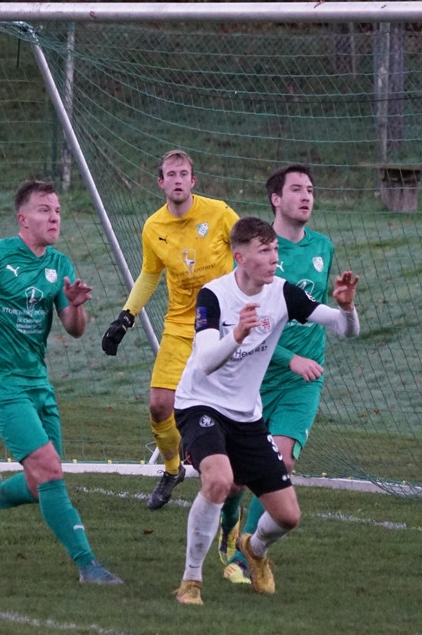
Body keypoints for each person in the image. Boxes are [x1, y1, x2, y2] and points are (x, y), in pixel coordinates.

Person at [0, 179, 122, 585]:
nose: (54, 217)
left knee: (41, 485)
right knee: (50, 470)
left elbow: (74, 329)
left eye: (57, 211)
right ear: (22, 218)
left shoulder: (60, 265)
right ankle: (88, 566)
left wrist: (75, 306)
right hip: (1, 387)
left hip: (39, 385)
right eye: (44, 210)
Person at [172, 216, 360, 605]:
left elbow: (345, 330)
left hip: (246, 415)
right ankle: (191, 581)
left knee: (288, 516)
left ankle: (254, 549)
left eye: (275, 249)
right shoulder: (213, 295)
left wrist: (347, 308)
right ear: (240, 257)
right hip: (200, 404)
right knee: (219, 481)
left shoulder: (283, 293)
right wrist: (237, 334)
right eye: (264, 251)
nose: (275, 257)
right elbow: (205, 362)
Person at [218, 163, 336, 585]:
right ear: (276, 199)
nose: (306, 196)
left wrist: (344, 308)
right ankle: (229, 522)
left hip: (301, 382)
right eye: (297, 189)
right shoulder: (258, 252)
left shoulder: (323, 247)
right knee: (233, 481)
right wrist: (289, 358)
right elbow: (249, 325)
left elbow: (318, 309)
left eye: (311, 190)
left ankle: (247, 552)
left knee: (280, 460)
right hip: (254, 375)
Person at [101, 149, 239, 509]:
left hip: (223, 326)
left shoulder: (220, 213)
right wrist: (126, 317)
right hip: (180, 326)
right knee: (160, 405)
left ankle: (231, 481)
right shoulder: (153, 227)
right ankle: (173, 468)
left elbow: (248, 251)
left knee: (226, 412)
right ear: (161, 183)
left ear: (193, 180)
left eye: (183, 174)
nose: (178, 180)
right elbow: (149, 274)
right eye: (171, 175)